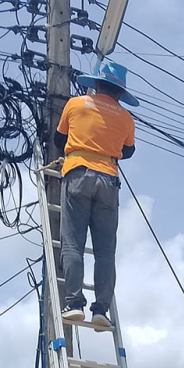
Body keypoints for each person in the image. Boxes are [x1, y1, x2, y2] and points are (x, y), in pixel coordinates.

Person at [53, 57, 137, 333]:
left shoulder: (76, 104)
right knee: (104, 252)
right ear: (119, 92)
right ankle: (101, 310)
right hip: (108, 181)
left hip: (77, 173)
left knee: (73, 243)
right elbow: (128, 151)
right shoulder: (126, 118)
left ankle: (74, 302)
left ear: (96, 84)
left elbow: (58, 139)